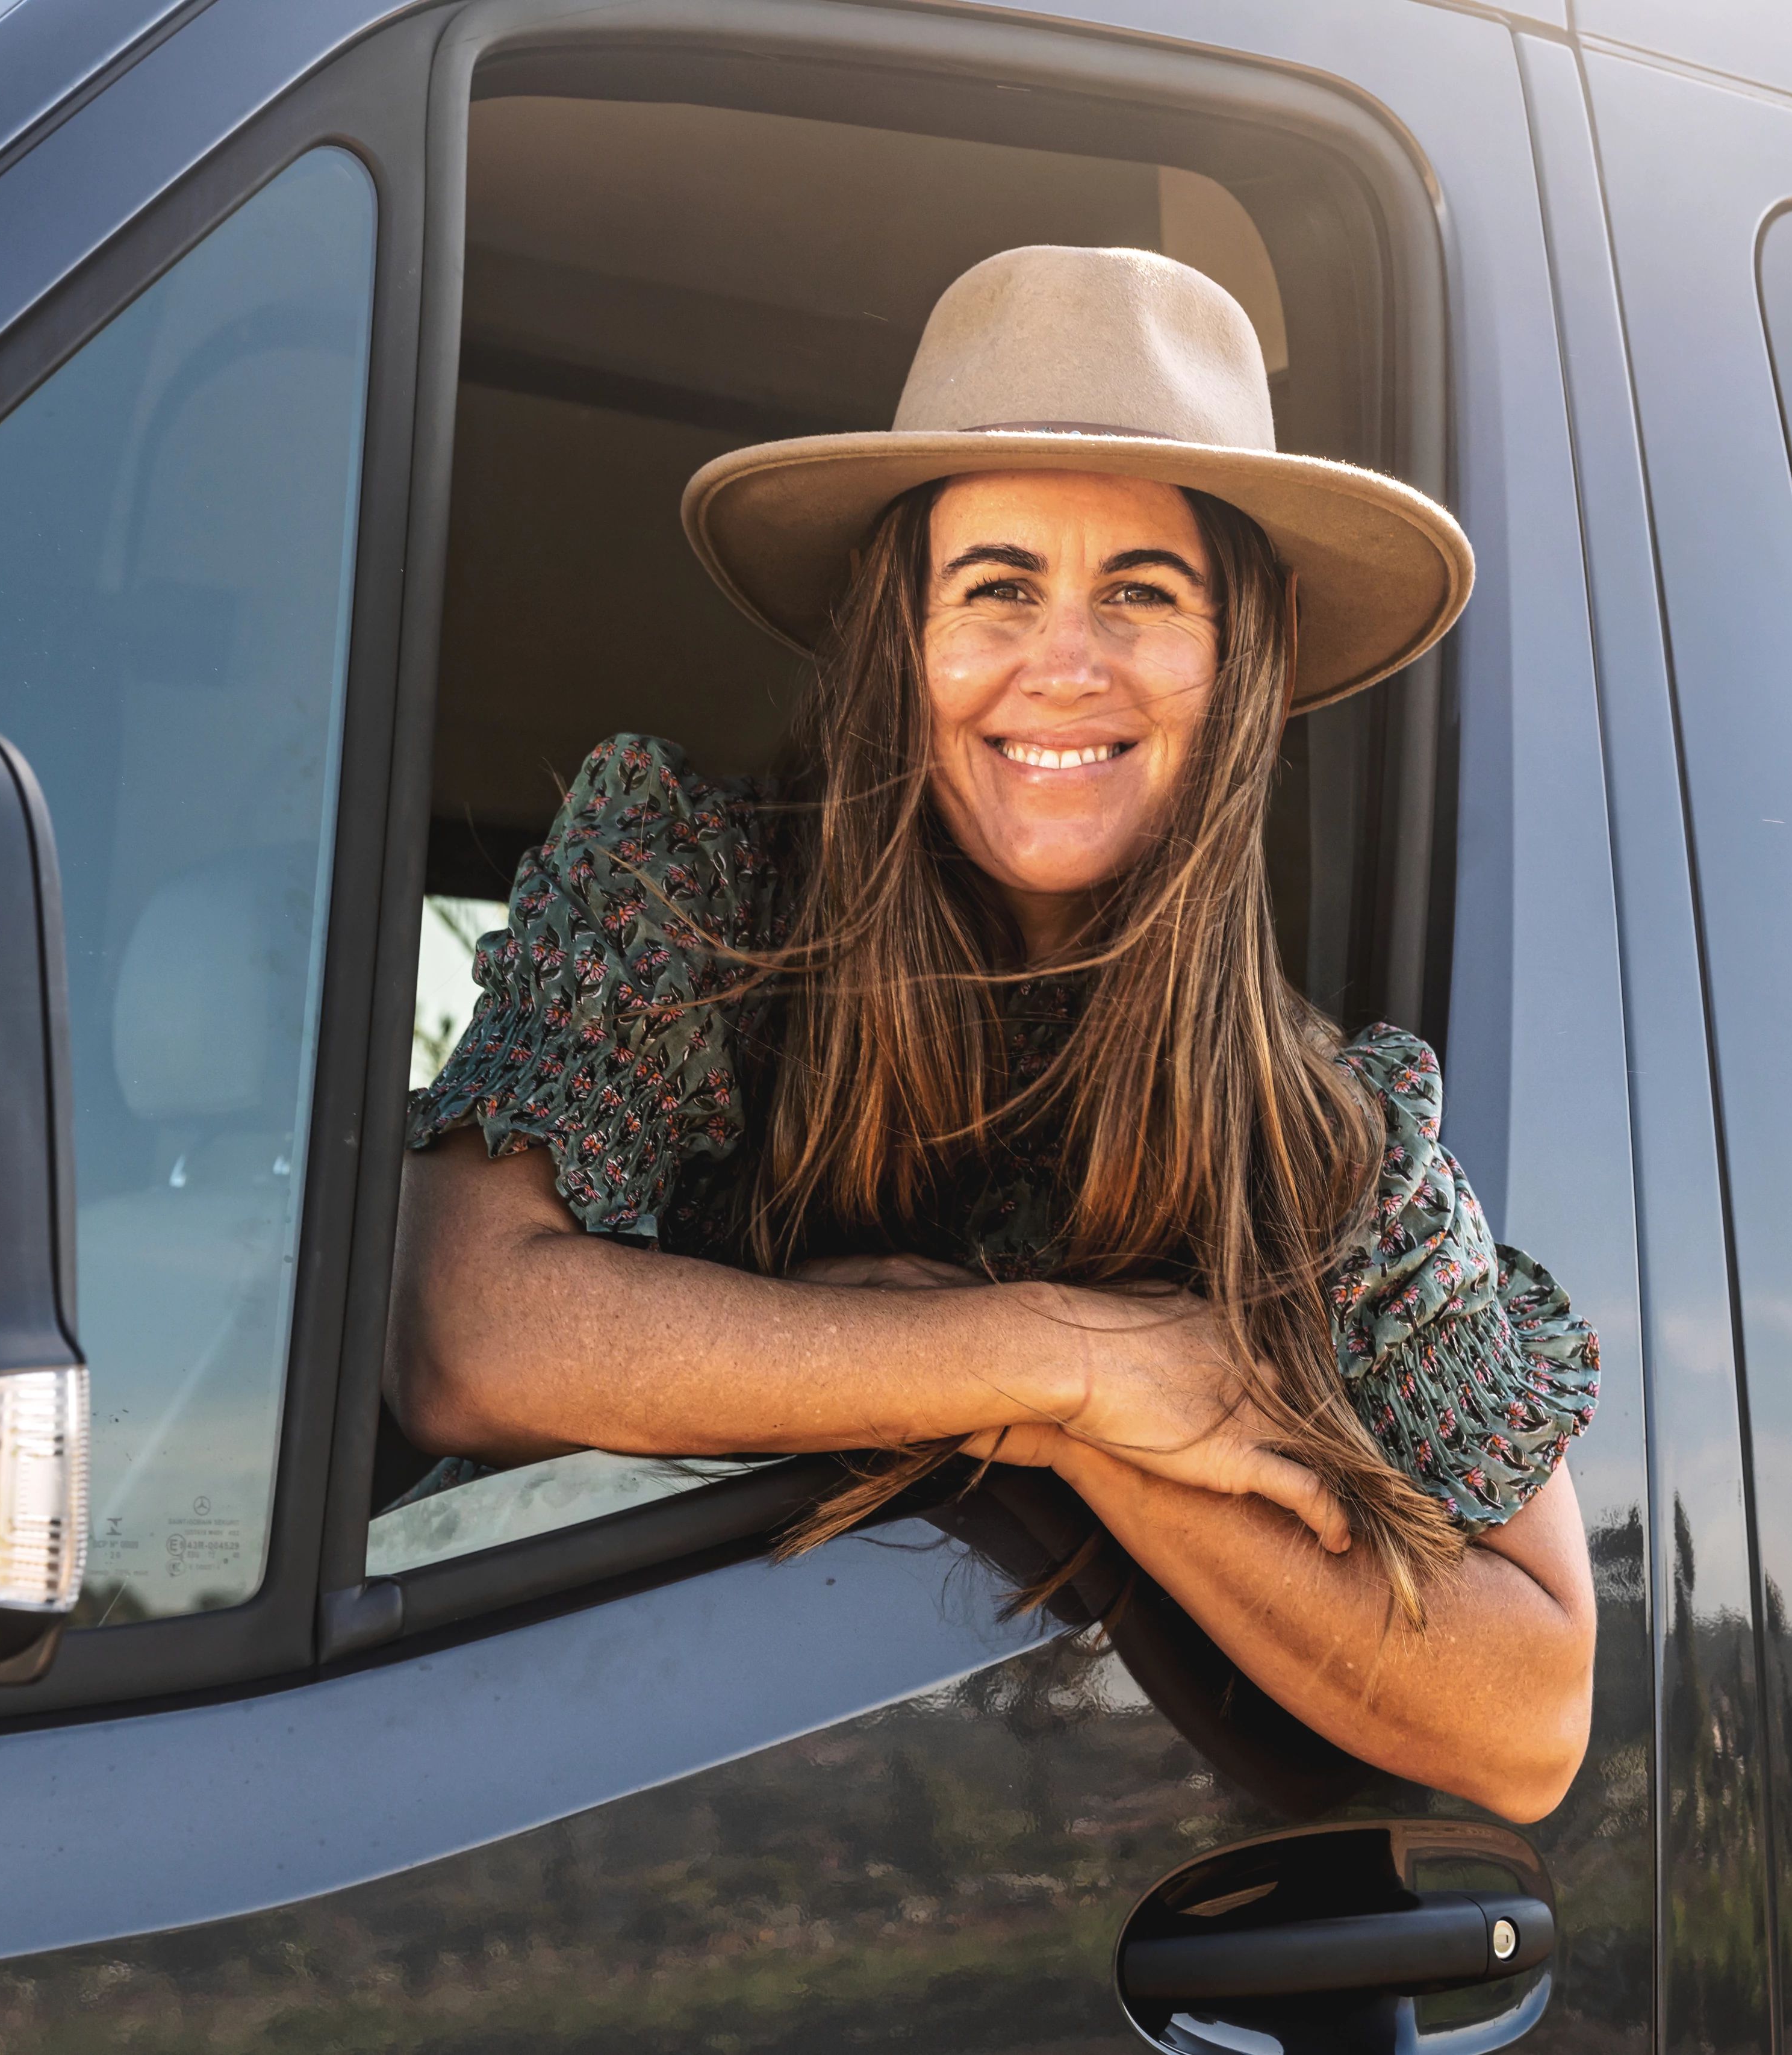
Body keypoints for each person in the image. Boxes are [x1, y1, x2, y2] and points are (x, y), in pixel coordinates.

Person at [390, 246, 1599, 1821]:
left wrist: (1059, 1436)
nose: (1067, 665)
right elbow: (461, 1335)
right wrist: (1063, 1353)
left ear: (1248, 651)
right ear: (904, 632)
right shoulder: (690, 897)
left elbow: (1530, 1714)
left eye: (1144, 596)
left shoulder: (1327, 1143)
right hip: (525, 1804)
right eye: (1000, 587)